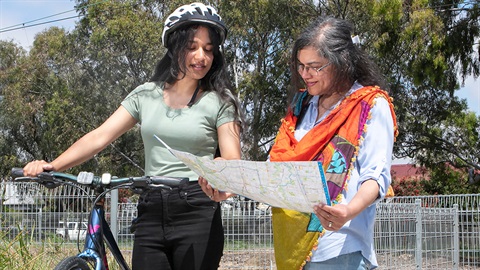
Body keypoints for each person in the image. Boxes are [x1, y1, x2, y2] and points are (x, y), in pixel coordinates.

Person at [22, 2, 242, 270]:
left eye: (209, 50)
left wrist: (219, 172)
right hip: (150, 209)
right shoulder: (145, 95)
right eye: (192, 47)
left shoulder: (220, 102)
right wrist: (53, 165)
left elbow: (231, 158)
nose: (201, 57)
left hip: (197, 208)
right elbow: (99, 137)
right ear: (175, 47)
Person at [266, 16, 398, 269]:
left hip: (340, 248)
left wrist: (348, 211)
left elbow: (376, 176)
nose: (305, 74)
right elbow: (278, 163)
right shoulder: (301, 105)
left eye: (315, 66)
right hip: (291, 248)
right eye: (301, 66)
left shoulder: (370, 105)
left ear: (342, 62)